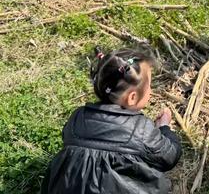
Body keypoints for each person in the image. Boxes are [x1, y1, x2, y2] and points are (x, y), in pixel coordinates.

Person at [41, 47, 182, 194]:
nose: (151, 90)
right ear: (132, 97)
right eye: (149, 86)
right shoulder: (141, 130)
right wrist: (164, 128)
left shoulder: (78, 117)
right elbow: (170, 156)